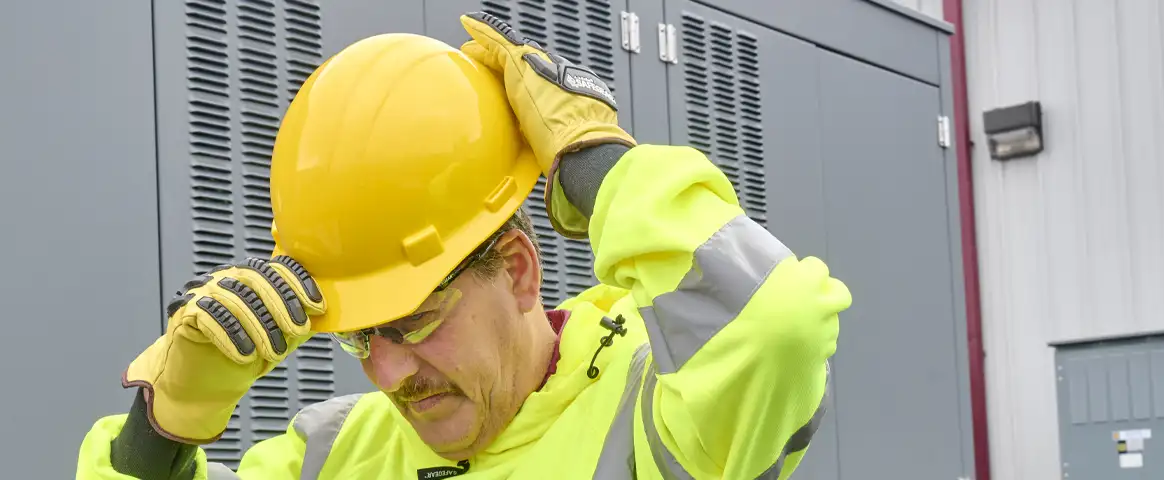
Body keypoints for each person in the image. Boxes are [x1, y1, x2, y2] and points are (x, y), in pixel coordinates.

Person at [76, 11, 850, 480]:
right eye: (359, 337)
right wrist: (166, 425)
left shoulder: (653, 413)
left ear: (517, 269)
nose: (388, 373)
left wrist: (597, 165)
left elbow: (774, 326)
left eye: (414, 321)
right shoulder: (336, 451)